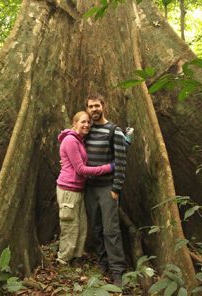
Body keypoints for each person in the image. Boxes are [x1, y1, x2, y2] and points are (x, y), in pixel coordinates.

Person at [56, 111, 114, 265]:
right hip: (68, 189)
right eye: (83, 122)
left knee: (81, 225)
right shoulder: (70, 140)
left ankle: (75, 257)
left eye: (88, 122)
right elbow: (81, 169)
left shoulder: (79, 140)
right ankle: (63, 260)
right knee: (70, 226)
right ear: (74, 123)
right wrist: (109, 167)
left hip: (78, 188)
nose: (87, 125)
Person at [84, 92, 127, 286]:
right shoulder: (86, 129)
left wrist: (116, 188)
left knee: (111, 230)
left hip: (107, 187)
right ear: (87, 109)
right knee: (96, 228)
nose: (94, 110)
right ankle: (102, 264)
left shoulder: (114, 130)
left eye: (97, 106)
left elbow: (121, 161)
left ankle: (117, 270)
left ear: (103, 106)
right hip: (89, 188)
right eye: (91, 107)